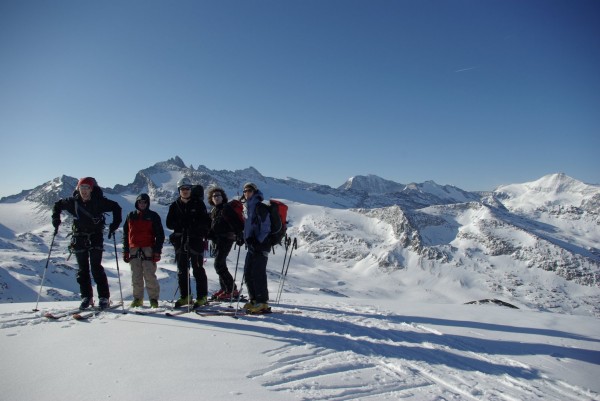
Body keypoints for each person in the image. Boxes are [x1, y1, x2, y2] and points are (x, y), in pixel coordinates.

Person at [51, 177, 122, 310]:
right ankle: (86, 297)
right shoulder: (73, 202)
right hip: (79, 237)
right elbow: (57, 205)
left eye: (87, 188)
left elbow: (116, 207)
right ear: (78, 189)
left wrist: (115, 224)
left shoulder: (99, 201)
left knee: (95, 267)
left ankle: (103, 298)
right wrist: (56, 218)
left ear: (91, 189)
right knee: (83, 269)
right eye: (81, 188)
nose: (84, 191)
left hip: (95, 236)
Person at [166, 177, 211, 308]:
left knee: (198, 269)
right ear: (179, 190)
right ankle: (185, 296)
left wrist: (192, 225)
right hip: (180, 241)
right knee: (182, 270)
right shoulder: (174, 205)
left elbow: (206, 222)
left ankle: (202, 297)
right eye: (183, 189)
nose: (185, 191)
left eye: (187, 189)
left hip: (195, 240)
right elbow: (169, 223)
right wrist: (180, 223)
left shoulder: (198, 204)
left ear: (191, 190)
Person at [122, 193, 165, 308]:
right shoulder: (130, 215)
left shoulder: (153, 216)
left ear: (148, 203)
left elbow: (160, 235)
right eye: (140, 202)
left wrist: (157, 251)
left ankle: (153, 299)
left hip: (148, 248)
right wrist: (125, 250)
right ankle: (137, 299)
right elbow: (126, 234)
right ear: (137, 203)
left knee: (149, 275)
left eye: (144, 202)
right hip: (133, 249)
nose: (142, 204)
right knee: (136, 276)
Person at [240, 182, 272, 314]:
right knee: (248, 273)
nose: (247, 193)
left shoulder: (260, 207)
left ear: (255, 192)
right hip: (252, 246)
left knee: (258, 274)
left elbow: (266, 227)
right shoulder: (248, 207)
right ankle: (254, 299)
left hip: (260, 246)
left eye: (250, 190)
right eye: (245, 191)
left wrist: (257, 242)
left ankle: (262, 302)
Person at [207, 186, 240, 301]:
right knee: (220, 264)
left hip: (226, 239)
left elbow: (236, 223)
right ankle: (226, 288)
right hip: (218, 240)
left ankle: (231, 290)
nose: (216, 197)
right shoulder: (214, 210)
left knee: (218, 264)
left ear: (223, 197)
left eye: (218, 195)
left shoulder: (226, 208)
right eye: (214, 196)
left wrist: (239, 235)